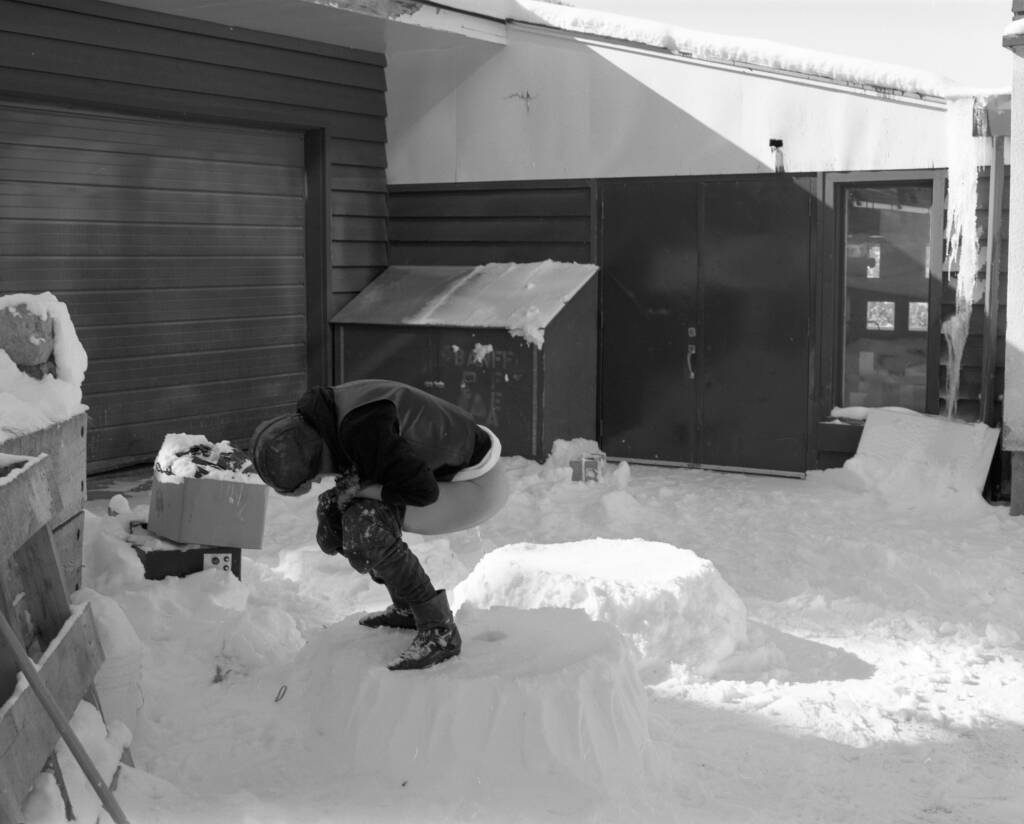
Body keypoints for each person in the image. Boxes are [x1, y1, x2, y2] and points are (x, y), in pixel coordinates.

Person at [249, 379, 508, 670]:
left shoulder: (363, 433)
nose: (320, 481)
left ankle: (439, 630)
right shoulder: (323, 421)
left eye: (313, 477)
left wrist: (361, 491)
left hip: (475, 486)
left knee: (364, 525)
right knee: (333, 517)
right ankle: (407, 608)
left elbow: (422, 492)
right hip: (439, 475)